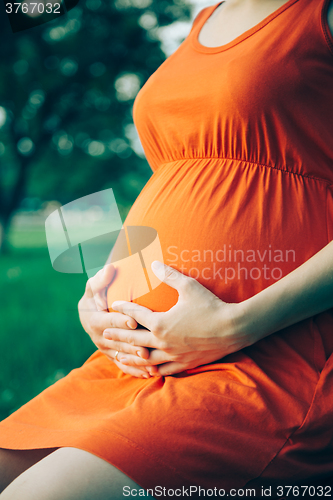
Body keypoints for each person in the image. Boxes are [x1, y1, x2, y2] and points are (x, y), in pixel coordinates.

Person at [1, 0, 333, 498]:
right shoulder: (205, 20)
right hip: (134, 365)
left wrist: (234, 324)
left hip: (266, 361)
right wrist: (104, 298)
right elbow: (182, 178)